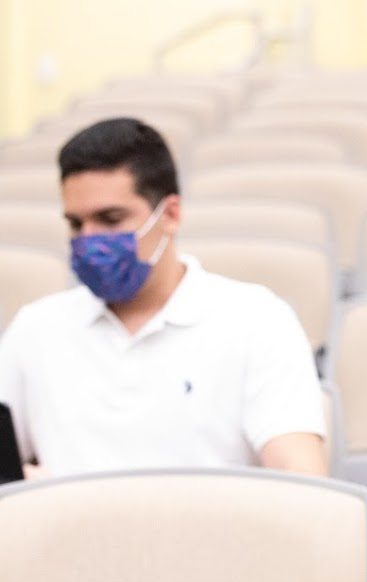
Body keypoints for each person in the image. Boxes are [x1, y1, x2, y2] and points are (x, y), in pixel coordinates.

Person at [0, 117, 328, 478]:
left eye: (110, 219)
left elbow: (303, 480)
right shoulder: (35, 329)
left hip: (211, 531)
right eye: (76, 225)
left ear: (170, 215)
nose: (88, 241)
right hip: (65, 531)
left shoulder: (256, 321)